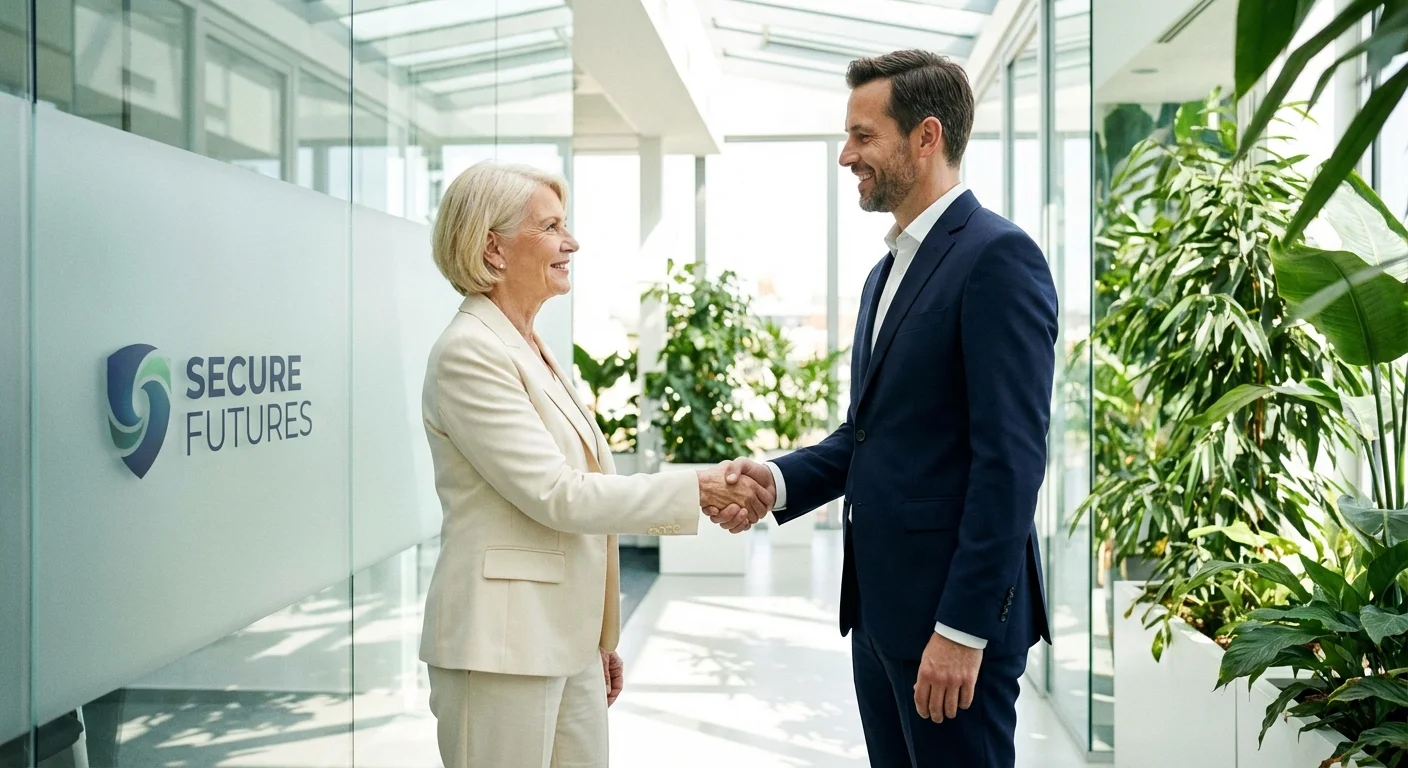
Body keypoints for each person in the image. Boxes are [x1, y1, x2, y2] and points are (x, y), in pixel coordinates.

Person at [713, 50, 1058, 767]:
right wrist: (775, 481)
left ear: (926, 137)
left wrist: (962, 630)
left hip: (951, 627)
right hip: (880, 618)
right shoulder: (885, 272)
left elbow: (1011, 462)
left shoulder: (998, 258)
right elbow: (869, 437)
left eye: (864, 136)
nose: (847, 156)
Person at [420, 161, 770, 768]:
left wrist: (599, 638)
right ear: (492, 248)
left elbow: (584, 498)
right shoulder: (470, 351)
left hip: (566, 641)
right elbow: (559, 495)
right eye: (552, 226)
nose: (572, 241)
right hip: (501, 648)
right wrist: (699, 487)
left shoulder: (530, 346)